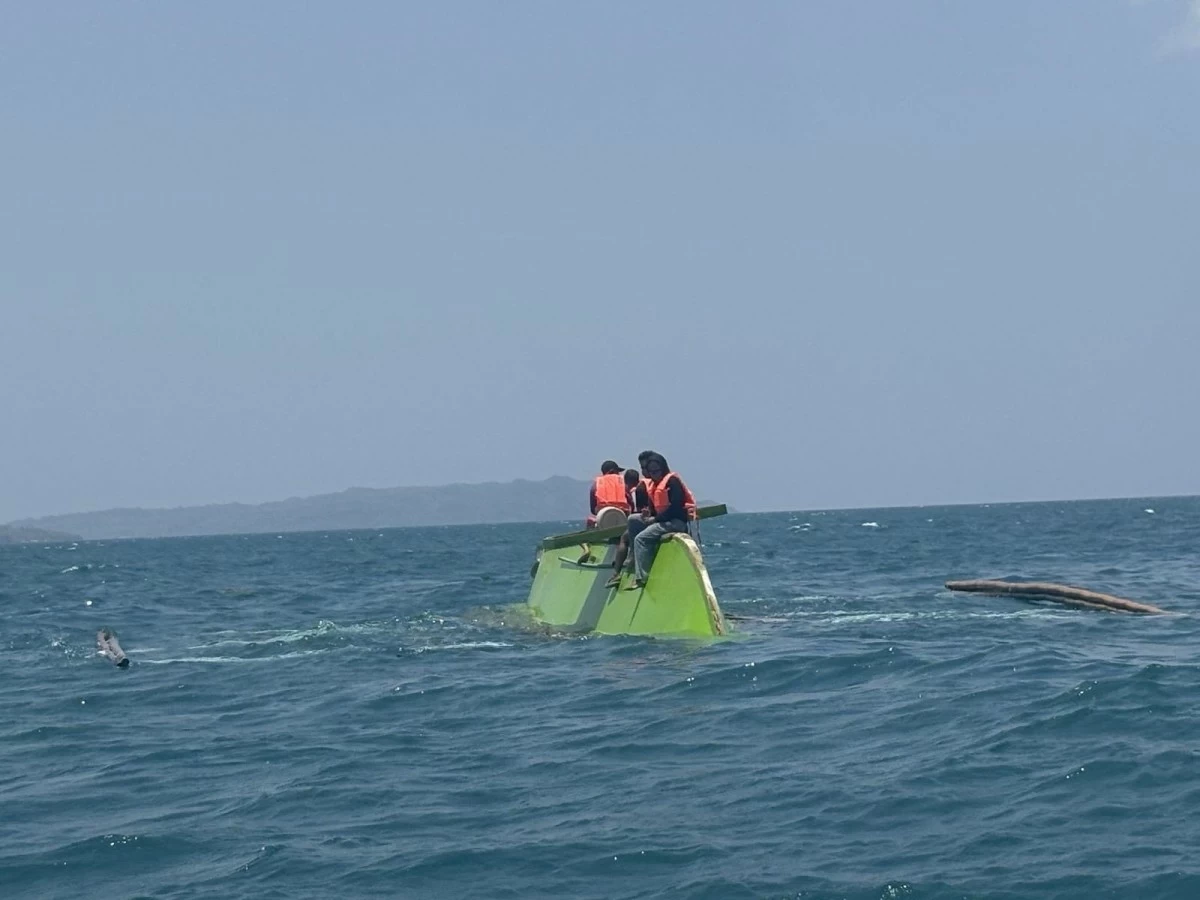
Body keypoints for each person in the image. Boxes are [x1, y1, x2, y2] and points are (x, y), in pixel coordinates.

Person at [629, 451, 696, 589]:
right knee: (633, 520)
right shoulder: (654, 485)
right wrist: (648, 514)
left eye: (657, 470)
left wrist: (655, 520)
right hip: (662, 520)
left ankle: (642, 578)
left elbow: (676, 507)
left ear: (663, 468)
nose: (655, 474)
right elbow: (656, 508)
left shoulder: (672, 481)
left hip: (675, 522)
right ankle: (634, 560)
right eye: (651, 471)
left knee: (640, 539)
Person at [605, 468, 651, 587]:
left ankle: (616, 572)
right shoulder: (648, 485)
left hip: (642, 521)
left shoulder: (633, 492)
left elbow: (637, 511)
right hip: (652, 518)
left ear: (626, 482)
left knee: (624, 539)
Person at [586, 460, 629, 528]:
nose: (618, 474)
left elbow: (593, 509)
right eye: (617, 471)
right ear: (612, 471)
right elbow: (630, 503)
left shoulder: (596, 485)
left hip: (603, 519)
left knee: (590, 521)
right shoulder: (623, 483)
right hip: (622, 518)